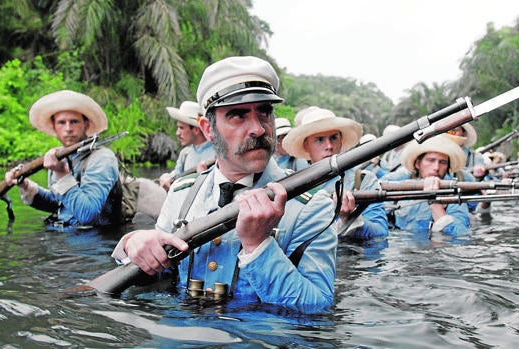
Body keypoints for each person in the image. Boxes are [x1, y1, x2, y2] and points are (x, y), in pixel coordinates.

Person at [111, 56, 337, 313]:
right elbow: (155, 278)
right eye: (238, 115)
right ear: (208, 129)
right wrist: (134, 243)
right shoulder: (182, 192)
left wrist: (258, 247)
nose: (259, 129)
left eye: (264, 112)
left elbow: (317, 308)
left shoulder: (312, 205)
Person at [4, 90, 121, 228]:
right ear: (54, 127)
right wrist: (26, 186)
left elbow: (88, 215)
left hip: (93, 242)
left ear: (86, 124)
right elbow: (59, 204)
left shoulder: (102, 159)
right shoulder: (60, 158)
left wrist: (61, 173)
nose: (68, 129)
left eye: (74, 122)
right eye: (61, 123)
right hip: (63, 239)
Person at [282, 107, 389, 240]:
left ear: (341, 140)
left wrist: (351, 220)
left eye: (334, 138)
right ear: (306, 146)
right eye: (319, 140)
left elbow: (381, 232)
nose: (329, 146)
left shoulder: (363, 180)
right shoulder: (293, 184)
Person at [384, 134, 470, 238]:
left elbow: (460, 235)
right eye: (431, 160)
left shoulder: (454, 197)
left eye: (442, 162)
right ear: (417, 164)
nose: (436, 167)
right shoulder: (399, 186)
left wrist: (435, 203)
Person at [158, 101, 216, 191]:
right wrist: (166, 177)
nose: (177, 133)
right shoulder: (185, 153)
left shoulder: (218, 154)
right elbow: (177, 175)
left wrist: (204, 178)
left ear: (196, 130)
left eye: (181, 128)